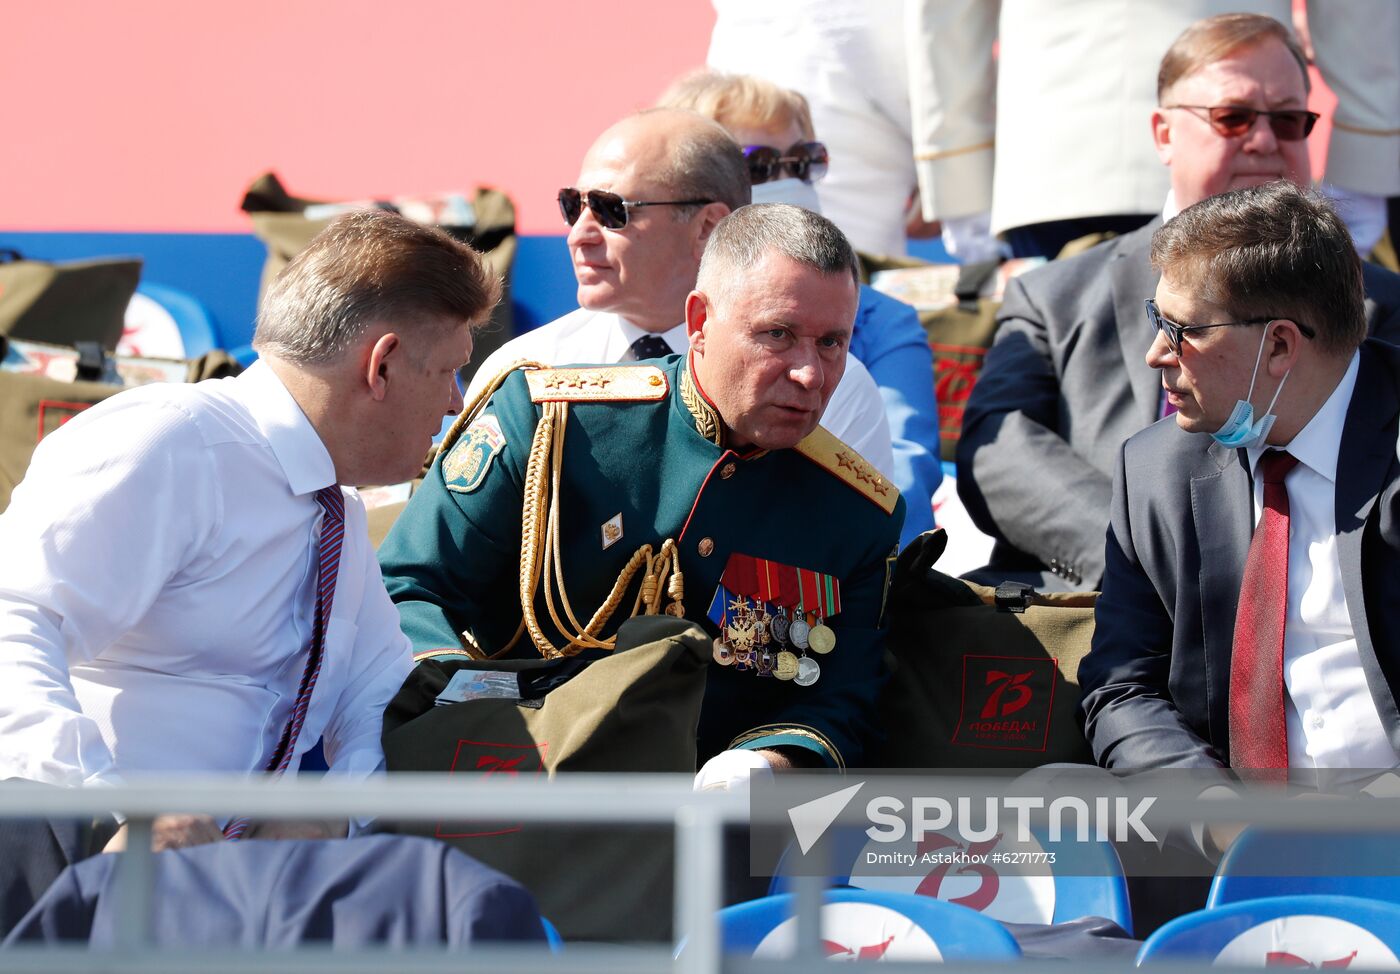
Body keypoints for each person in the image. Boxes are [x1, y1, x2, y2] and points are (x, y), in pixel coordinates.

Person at [0, 210, 498, 853]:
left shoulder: (333, 512)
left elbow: (379, 696)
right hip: (74, 892)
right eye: (449, 371)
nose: (457, 401)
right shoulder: (167, 440)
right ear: (383, 364)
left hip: (206, 905)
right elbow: (13, 616)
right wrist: (100, 819)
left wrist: (336, 817)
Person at [381, 204, 904, 784]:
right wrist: (476, 714)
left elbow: (844, 698)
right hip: (511, 783)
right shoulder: (553, 422)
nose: (809, 373)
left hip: (706, 820)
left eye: (831, 343)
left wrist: (768, 762)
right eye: (777, 334)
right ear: (700, 321)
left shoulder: (856, 512)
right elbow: (408, 586)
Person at [957, 12, 1400, 592]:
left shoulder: (1377, 304)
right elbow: (1001, 452)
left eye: (1290, 120)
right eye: (1233, 117)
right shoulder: (1055, 296)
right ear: (1164, 133)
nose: (1265, 140)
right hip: (1098, 615)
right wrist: (1146, 559)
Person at [1079, 179, 1400, 776]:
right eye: (1156, 319)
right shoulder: (1155, 470)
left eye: (1183, 331)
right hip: (1229, 831)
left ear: (1279, 345)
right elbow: (1122, 687)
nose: (1156, 354)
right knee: (1047, 800)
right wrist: (1210, 809)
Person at [464, 108, 897, 483]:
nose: (579, 235)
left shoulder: (828, 390)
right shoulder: (520, 374)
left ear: (708, 227)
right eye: (572, 207)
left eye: (612, 210)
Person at [656, 69, 941, 546]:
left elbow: (899, 490)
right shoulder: (610, 329)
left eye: (805, 161)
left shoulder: (883, 322)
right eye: (761, 166)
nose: (790, 181)